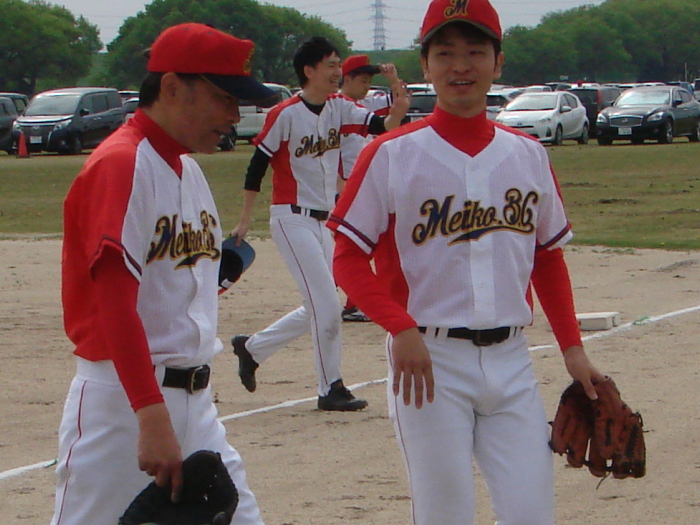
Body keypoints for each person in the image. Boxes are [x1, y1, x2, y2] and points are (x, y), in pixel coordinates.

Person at [328, 0, 607, 523]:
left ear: (498, 62)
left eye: (475, 51)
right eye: (445, 53)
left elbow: (546, 258)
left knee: (531, 514)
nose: (461, 65)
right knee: (445, 514)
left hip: (513, 360)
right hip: (428, 362)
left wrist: (573, 349)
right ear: (425, 65)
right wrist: (398, 327)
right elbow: (346, 257)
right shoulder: (389, 154)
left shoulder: (527, 154)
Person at [52, 23, 278, 525]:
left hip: (195, 402)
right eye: (223, 98)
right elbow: (114, 303)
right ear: (172, 86)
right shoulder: (122, 163)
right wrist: (149, 413)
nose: (234, 115)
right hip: (125, 406)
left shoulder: (186, 169)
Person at [229, 36, 409, 411]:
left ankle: (252, 348)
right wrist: (245, 219)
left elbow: (384, 126)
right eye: (330, 64)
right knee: (326, 306)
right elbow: (256, 166)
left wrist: (398, 98)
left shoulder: (338, 107)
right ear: (309, 71)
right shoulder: (285, 114)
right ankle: (331, 388)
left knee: (320, 304)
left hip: (325, 221)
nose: (337, 71)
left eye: (338, 64)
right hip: (291, 218)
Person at [338, 55, 404, 323]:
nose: (367, 86)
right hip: (343, 186)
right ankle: (352, 301)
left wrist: (393, 79)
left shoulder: (368, 105)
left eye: (369, 81)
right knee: (355, 245)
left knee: (367, 244)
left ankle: (353, 302)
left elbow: (400, 105)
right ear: (348, 79)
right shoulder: (334, 107)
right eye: (363, 80)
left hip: (366, 184)